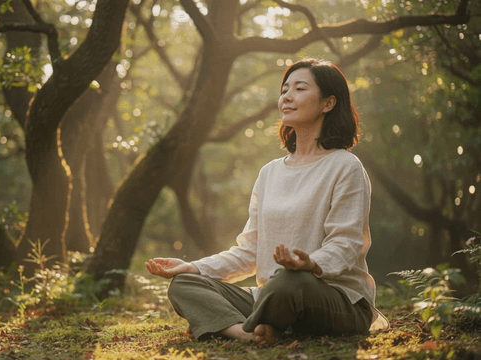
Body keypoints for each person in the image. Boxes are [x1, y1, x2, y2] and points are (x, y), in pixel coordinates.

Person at [145, 58, 389, 345]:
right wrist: (193, 267)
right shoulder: (270, 172)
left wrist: (309, 264)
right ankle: (246, 332)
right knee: (184, 286)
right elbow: (249, 251)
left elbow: (346, 247)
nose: (286, 96)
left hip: (335, 298)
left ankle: (224, 322)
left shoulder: (345, 166)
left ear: (328, 103)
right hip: (274, 295)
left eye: (299, 88)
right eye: (284, 89)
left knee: (288, 282)